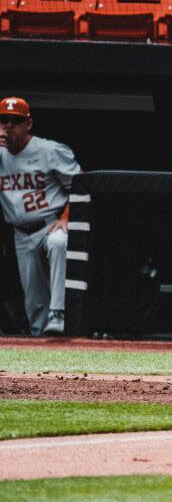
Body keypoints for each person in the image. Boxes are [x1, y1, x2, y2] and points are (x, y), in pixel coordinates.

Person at [0, 96, 79, 337]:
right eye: (3, 120)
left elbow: (82, 187)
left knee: (58, 242)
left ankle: (59, 312)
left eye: (16, 121)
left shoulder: (50, 150)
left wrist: (66, 217)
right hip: (21, 233)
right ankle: (40, 345)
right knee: (35, 306)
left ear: (29, 124)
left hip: (50, 224)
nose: (9, 126)